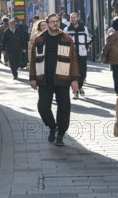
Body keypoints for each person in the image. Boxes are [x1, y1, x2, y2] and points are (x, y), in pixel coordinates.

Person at [29, 14, 79, 146]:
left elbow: (73, 60)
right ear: (47, 23)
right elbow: (33, 59)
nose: (55, 24)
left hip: (63, 80)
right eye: (52, 22)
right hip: (44, 80)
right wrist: (33, 78)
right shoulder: (39, 39)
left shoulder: (67, 39)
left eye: (57, 21)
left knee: (64, 108)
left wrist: (74, 80)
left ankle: (61, 134)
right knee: (43, 107)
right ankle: (52, 126)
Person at [64, 12, 92, 99]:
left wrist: (87, 46)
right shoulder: (66, 29)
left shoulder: (84, 29)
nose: (73, 19)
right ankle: (75, 91)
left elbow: (89, 39)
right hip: (71, 55)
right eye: (71, 18)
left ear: (78, 18)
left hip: (82, 54)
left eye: (74, 17)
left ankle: (79, 87)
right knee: (73, 74)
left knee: (83, 73)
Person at [100, 17, 118, 96]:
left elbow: (106, 48)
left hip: (115, 58)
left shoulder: (111, 36)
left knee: (116, 74)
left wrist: (103, 56)